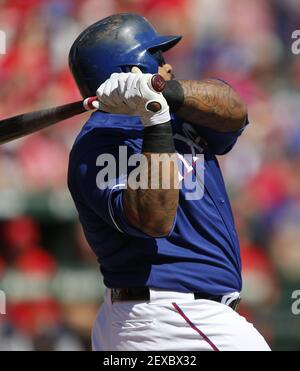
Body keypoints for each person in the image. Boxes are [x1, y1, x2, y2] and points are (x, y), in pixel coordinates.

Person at [68, 13, 270, 351]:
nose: (168, 65)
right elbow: (154, 220)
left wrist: (162, 93)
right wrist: (155, 119)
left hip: (173, 318)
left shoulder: (182, 111)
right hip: (169, 316)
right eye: (156, 58)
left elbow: (235, 109)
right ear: (130, 68)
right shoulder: (99, 142)